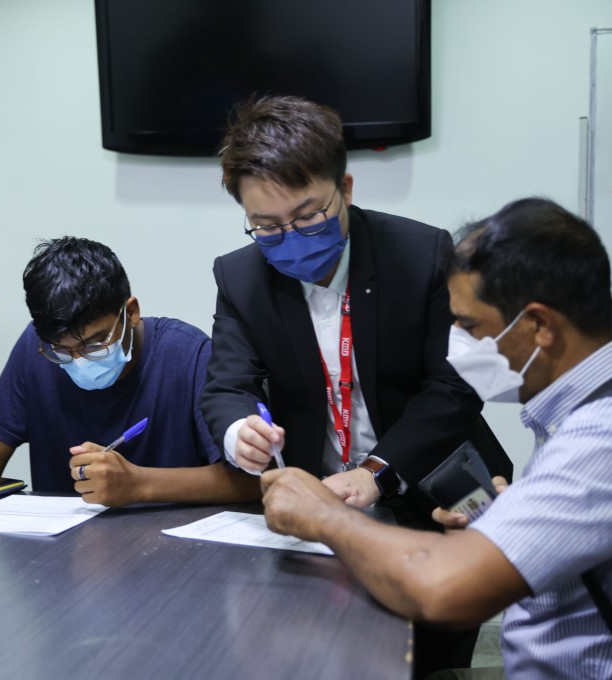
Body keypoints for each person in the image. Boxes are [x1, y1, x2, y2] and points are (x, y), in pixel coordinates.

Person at [201, 95, 505, 676]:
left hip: (432, 491)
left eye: (308, 216)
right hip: (321, 508)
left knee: (431, 660)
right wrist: (240, 431)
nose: (290, 236)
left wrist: (376, 473)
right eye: (267, 226)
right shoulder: (240, 277)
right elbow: (226, 386)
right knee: (316, 655)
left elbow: (454, 386)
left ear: (345, 187)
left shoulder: (420, 253)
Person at [262, 197, 612, 679]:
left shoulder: (598, 437)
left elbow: (444, 590)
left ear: (539, 325)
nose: (456, 344)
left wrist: (322, 516)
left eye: (469, 326)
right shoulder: (575, 415)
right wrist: (510, 524)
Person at [0, 237, 258, 507]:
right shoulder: (35, 349)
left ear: (131, 312)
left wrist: (139, 484)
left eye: (95, 343)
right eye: (63, 350)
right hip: (62, 546)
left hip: (169, 544)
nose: (79, 361)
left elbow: (252, 482)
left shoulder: (189, 356)